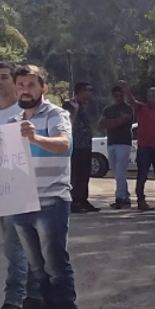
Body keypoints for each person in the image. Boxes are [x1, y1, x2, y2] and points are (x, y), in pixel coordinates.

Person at [8, 66, 84, 309]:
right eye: (21, 84)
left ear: (44, 88)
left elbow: (65, 145)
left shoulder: (56, 115)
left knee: (55, 265)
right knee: (38, 268)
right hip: (21, 199)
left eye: (31, 84)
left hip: (51, 198)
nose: (25, 89)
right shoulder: (15, 120)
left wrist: (35, 138)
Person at [0, 61, 43, 309]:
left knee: (13, 245)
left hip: (21, 185)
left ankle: (13, 299)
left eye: (4, 77)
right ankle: (35, 294)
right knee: (19, 243)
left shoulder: (25, 111)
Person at [63, 82, 99, 213]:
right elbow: (67, 122)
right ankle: (74, 201)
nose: (90, 93)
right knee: (75, 174)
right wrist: (76, 110)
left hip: (86, 144)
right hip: (75, 144)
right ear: (79, 91)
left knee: (85, 173)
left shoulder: (88, 106)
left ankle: (83, 199)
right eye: (87, 90)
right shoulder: (70, 104)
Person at [99, 84, 135, 210]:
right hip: (111, 142)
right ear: (112, 96)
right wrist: (116, 121)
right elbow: (101, 124)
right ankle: (125, 196)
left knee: (120, 171)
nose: (119, 98)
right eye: (116, 96)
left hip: (124, 143)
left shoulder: (128, 108)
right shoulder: (107, 109)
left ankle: (119, 197)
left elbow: (124, 120)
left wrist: (111, 122)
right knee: (116, 172)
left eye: (121, 96)